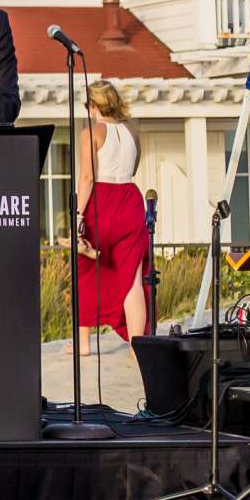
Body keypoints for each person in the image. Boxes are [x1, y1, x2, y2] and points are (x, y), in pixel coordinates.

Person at [75, 81, 150, 357]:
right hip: (130, 199)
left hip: (102, 200)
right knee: (132, 276)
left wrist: (78, 215)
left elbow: (87, 176)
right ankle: (137, 345)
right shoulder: (132, 131)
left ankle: (83, 343)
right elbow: (135, 165)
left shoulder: (91, 132)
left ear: (93, 106)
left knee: (85, 267)